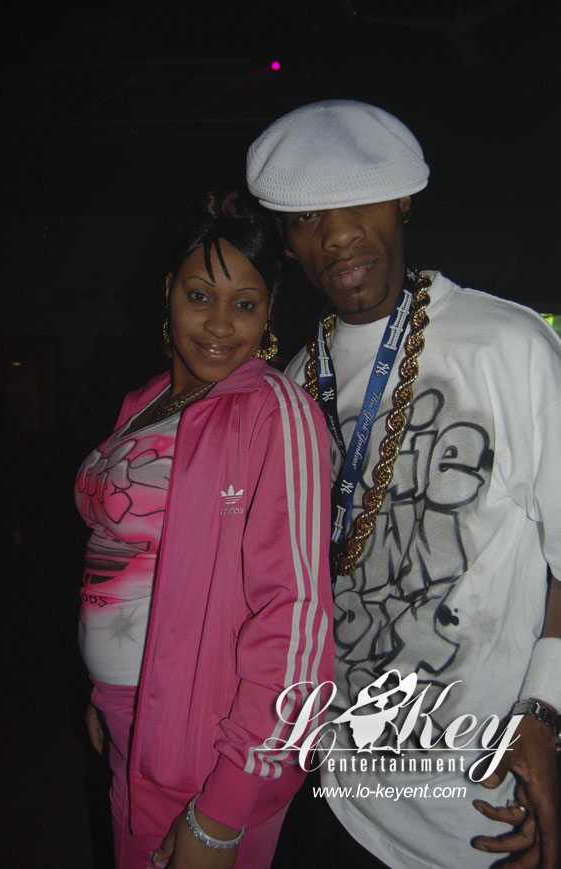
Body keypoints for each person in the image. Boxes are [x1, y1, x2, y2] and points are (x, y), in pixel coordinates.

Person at [246, 101, 561, 868]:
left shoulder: (511, 346)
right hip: (329, 785)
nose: (335, 235)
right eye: (307, 217)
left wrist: (544, 714)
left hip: (472, 809)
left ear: (403, 200)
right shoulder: (295, 380)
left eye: (358, 202)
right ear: (287, 241)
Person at [75, 191, 334, 869]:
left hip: (205, 752)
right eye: (199, 296)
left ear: (270, 311)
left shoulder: (274, 413)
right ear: (168, 290)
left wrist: (222, 812)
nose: (219, 324)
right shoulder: (142, 402)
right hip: (127, 722)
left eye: (244, 304)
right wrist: (106, 693)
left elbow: (296, 618)